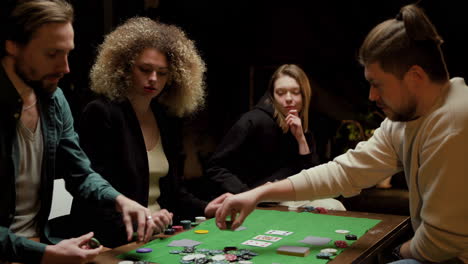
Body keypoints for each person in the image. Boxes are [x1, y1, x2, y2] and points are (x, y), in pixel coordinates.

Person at [215, 4, 468, 264]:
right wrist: (257, 194)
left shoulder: (454, 122)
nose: (372, 96)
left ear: (415, 76)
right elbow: (344, 172)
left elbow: (442, 243)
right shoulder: (404, 121)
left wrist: (395, 252)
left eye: (377, 84)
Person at [0, 1, 157, 263]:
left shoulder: (54, 99)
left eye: (67, 53)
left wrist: (119, 200)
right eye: (52, 54)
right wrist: (46, 254)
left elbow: (79, 173)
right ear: (12, 45)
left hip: (42, 247)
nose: (65, 68)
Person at [68, 17, 211, 247]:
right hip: (113, 241)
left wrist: (207, 207)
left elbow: (174, 193)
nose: (153, 79)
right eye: (145, 69)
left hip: (159, 237)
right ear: (123, 67)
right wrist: (141, 223)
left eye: (162, 73)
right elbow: (93, 196)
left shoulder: (166, 117)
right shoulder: (101, 113)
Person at [206, 64, 344, 210]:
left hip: (289, 196)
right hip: (260, 202)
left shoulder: (302, 127)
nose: (289, 98)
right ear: (272, 95)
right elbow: (215, 167)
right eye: (281, 92)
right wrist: (248, 194)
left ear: (305, 95)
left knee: (334, 204)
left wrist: (301, 139)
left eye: (295, 92)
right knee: (332, 206)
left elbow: (314, 180)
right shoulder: (252, 121)